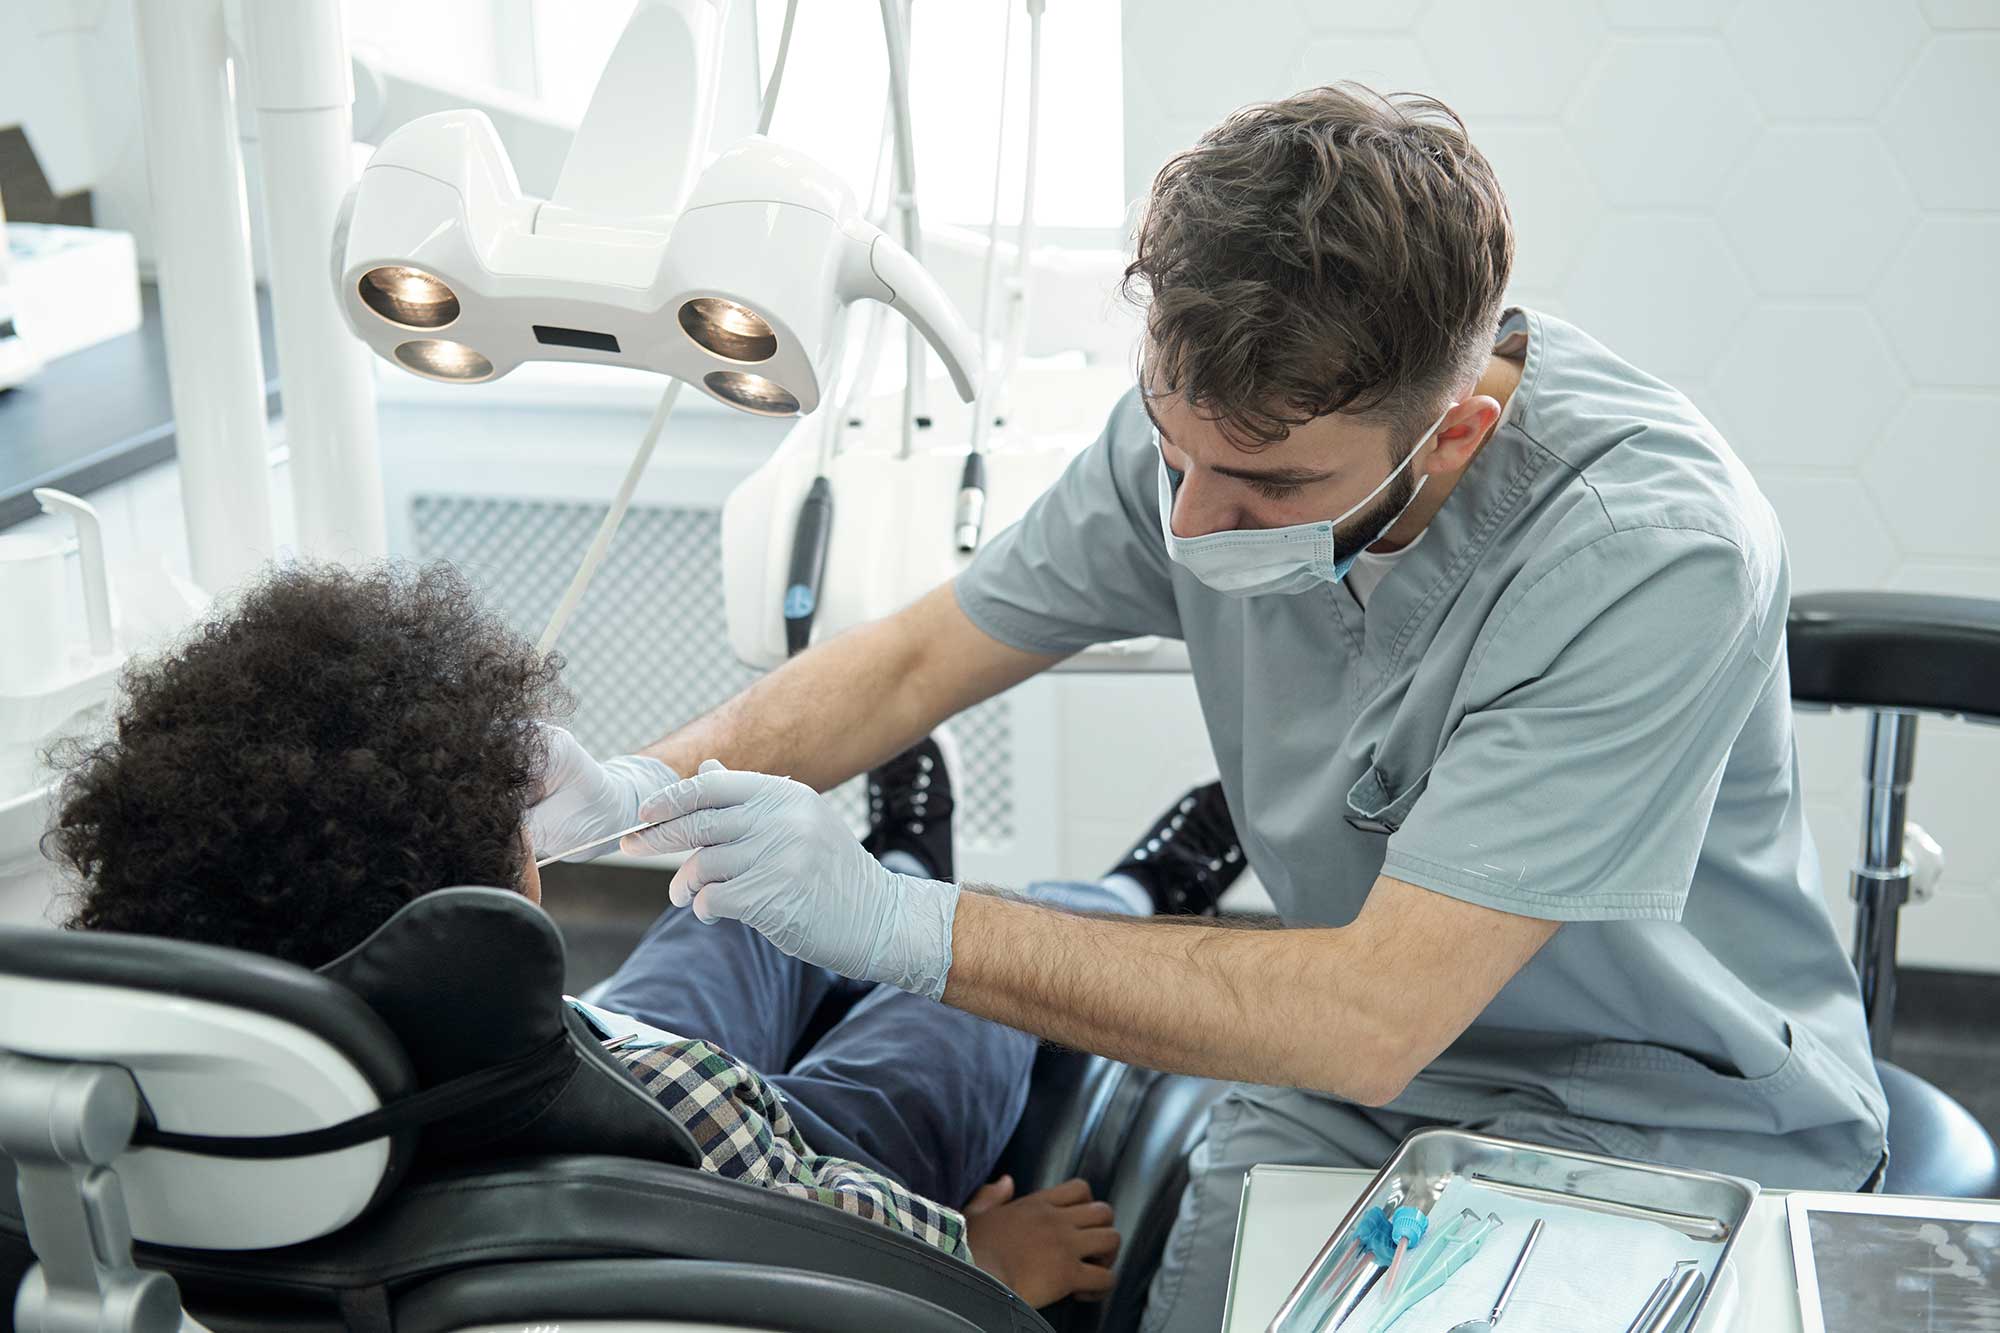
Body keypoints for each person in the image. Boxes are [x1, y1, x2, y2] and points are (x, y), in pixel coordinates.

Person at [530, 83, 1888, 1333]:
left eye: (1265, 488)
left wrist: (900, 920)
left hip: (1667, 1109)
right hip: (1348, 1086)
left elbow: (1373, 1010)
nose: (1187, 521)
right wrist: (636, 787)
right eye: (1169, 446)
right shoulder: (1212, 424)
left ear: (1455, 432)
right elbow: (912, 663)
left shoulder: (1649, 553)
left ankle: (1125, 884)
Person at [45, 561, 1160, 1309]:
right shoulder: (689, 1101)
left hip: (547, 1069)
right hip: (731, 1148)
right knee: (955, 994)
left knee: (723, 914)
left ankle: (909, 856)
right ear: (503, 890)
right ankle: (1126, 889)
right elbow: (843, 1227)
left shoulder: (170, 1115)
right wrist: (987, 1261)